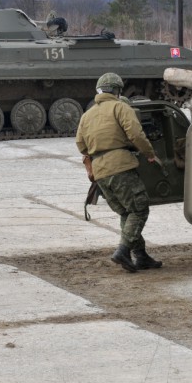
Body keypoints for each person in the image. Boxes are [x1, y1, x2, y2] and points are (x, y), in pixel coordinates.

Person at [75, 72, 162, 273]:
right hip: (120, 167)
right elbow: (136, 134)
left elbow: (80, 144)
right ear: (117, 90)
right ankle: (122, 251)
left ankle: (140, 256)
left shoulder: (87, 114)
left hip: (100, 172)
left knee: (126, 212)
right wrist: (149, 153)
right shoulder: (120, 107)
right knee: (139, 209)